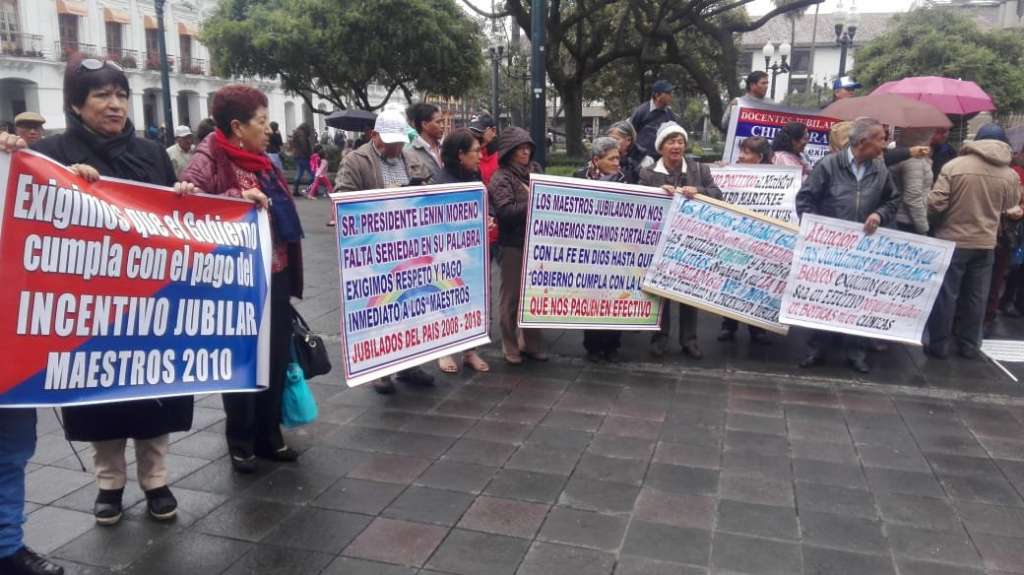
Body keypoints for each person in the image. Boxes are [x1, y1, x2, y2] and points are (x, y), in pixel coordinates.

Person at [28, 56, 197, 526]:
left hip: (151, 301)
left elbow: (169, 220)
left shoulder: (152, 154)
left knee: (154, 391)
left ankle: (156, 480)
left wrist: (181, 196)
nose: (115, 104)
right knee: (100, 395)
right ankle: (109, 485)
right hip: (89, 304)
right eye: (101, 95)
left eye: (121, 94)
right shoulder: (53, 153)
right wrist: (63, 184)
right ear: (77, 104)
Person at [180, 84, 305, 473]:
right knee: (239, 362)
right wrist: (236, 197)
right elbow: (190, 206)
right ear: (237, 126)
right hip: (234, 282)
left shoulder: (265, 162)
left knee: (276, 357)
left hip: (276, 272)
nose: (269, 130)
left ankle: (270, 435)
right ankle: (241, 440)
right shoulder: (207, 158)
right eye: (262, 122)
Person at [335, 109, 437, 394]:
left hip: (409, 248)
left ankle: (408, 364)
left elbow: (429, 191)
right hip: (375, 250)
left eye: (399, 142)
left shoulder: (411, 158)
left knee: (410, 307)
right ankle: (381, 369)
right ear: (373, 136)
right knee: (381, 310)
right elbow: (344, 200)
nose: (395, 148)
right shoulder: (356, 161)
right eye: (389, 142)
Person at [795, 117, 902, 374]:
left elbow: (893, 200)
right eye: (881, 139)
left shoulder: (880, 169)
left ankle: (856, 352)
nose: (885, 145)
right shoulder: (829, 165)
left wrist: (879, 215)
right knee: (825, 298)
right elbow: (805, 199)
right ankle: (817, 349)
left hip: (863, 248)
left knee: (857, 299)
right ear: (864, 141)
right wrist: (816, 231)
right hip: (830, 248)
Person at [926, 123, 1022, 359]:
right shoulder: (1009, 174)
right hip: (986, 242)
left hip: (952, 240)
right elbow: (1010, 208)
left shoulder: (954, 166)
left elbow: (935, 204)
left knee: (947, 294)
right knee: (977, 296)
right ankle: (969, 344)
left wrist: (936, 222)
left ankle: (938, 344)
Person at [640, 122, 722, 359]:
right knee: (659, 290)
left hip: (691, 240)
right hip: (660, 239)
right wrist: (657, 192)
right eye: (670, 142)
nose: (676, 146)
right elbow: (639, 199)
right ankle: (660, 337)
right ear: (661, 147)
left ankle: (689, 340)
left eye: (680, 142)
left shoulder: (699, 170)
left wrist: (698, 191)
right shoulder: (647, 173)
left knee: (688, 290)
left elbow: (717, 194)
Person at [433, 128, 492, 374]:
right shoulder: (441, 183)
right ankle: (444, 350)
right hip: (448, 255)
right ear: (460, 155)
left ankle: (470, 350)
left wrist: (489, 217)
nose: (480, 156)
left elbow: (486, 206)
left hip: (474, 254)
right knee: (447, 300)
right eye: (475, 151)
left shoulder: (474, 177)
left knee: (473, 301)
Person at [489, 127, 548, 364]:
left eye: (528, 148)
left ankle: (531, 344)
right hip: (513, 244)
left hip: (537, 242)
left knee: (534, 296)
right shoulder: (501, 177)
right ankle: (510, 344)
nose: (525, 152)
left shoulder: (536, 170)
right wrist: (535, 199)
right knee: (511, 297)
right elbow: (505, 212)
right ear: (509, 152)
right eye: (519, 149)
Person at [573, 137, 626, 362]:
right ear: (596, 160)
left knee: (615, 296)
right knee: (593, 296)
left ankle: (612, 345)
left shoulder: (627, 179)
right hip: (590, 249)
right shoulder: (578, 178)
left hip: (617, 248)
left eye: (618, 158)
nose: (617, 163)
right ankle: (593, 346)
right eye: (612, 158)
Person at [719, 136, 773, 345]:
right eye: (741, 151)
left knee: (757, 282)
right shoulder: (733, 171)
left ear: (759, 158)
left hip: (761, 239)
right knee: (733, 278)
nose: (741, 156)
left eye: (746, 153)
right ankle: (729, 324)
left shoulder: (778, 178)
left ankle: (757, 327)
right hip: (736, 237)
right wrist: (724, 172)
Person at [892, 128, 934, 235]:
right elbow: (912, 197)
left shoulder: (903, 153)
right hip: (908, 222)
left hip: (904, 218)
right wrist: (923, 228)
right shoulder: (914, 160)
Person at [629, 80, 677, 166]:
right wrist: (640, 156)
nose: (671, 96)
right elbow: (629, 135)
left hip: (662, 161)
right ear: (657, 95)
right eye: (668, 93)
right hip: (642, 161)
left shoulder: (670, 115)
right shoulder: (641, 111)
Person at [408, 103, 444, 179]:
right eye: (438, 122)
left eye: (442, 122)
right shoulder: (410, 154)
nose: (442, 126)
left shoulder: (445, 148)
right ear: (424, 124)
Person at [469, 114, 498, 185]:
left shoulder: (502, 154)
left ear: (493, 131)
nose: (475, 136)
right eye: (471, 132)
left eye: (479, 132)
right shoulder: (469, 154)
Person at [290, 122, 314, 196]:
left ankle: (295, 190)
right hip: (303, 156)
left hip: (297, 156)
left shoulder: (296, 133)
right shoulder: (302, 134)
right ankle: (312, 190)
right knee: (312, 174)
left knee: (299, 174)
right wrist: (309, 154)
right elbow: (303, 145)